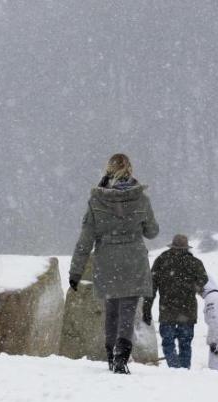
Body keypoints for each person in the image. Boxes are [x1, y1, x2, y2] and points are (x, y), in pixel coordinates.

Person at [68, 153, 160, 375]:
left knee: (111, 309)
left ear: (108, 170)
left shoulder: (97, 201)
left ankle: (111, 355)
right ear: (130, 170)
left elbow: (85, 240)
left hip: (108, 261)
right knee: (128, 309)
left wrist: (76, 271)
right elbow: (152, 231)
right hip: (134, 260)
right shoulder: (141, 199)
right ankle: (122, 354)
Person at [143, 234, 208, 369]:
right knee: (185, 343)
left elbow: (151, 286)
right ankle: (183, 369)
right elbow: (203, 280)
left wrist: (147, 308)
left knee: (168, 342)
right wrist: (192, 287)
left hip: (167, 310)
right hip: (187, 310)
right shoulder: (195, 263)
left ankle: (174, 369)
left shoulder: (162, 260)